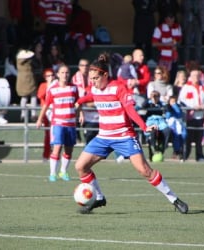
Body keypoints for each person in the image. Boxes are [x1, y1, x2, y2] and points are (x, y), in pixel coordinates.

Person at [74, 59, 188, 214]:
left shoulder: (118, 88)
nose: (93, 82)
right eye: (91, 79)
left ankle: (173, 199)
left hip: (124, 136)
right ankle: (99, 198)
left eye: (95, 78)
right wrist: (78, 102)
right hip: (104, 137)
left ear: (105, 75)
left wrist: (144, 126)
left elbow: (130, 110)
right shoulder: (95, 89)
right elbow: (88, 97)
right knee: (80, 167)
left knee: (145, 171)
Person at [36, 64, 79, 182]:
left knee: (69, 149)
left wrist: (81, 114)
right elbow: (46, 104)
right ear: (58, 75)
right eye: (62, 73)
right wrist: (40, 119)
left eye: (67, 73)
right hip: (58, 122)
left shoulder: (73, 88)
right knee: (57, 147)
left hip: (71, 123)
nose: (65, 75)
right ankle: (52, 173)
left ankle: (63, 171)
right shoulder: (53, 89)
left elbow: (77, 103)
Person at [177, 69, 204, 162]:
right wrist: (192, 107)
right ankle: (184, 156)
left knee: (199, 138)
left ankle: (199, 156)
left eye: (197, 75)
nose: (195, 77)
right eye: (193, 75)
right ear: (190, 77)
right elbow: (181, 101)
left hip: (201, 116)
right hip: (189, 117)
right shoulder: (186, 88)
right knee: (188, 138)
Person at [152, 12, 182, 83]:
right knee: (164, 76)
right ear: (165, 20)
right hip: (163, 56)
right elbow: (154, 43)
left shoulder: (177, 27)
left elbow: (180, 40)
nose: (170, 22)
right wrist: (167, 44)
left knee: (173, 76)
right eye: (168, 20)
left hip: (174, 56)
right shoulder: (159, 28)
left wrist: (176, 44)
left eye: (172, 20)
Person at [36, 68, 56, 162]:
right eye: (48, 76)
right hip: (45, 112)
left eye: (52, 75)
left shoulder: (56, 85)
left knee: (56, 135)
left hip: (55, 112)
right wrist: (49, 86)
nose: (50, 77)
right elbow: (40, 95)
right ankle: (46, 155)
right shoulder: (43, 85)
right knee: (48, 135)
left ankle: (55, 155)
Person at [16, 49, 38, 122]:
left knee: (24, 97)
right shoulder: (30, 61)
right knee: (33, 96)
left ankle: (23, 114)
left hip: (21, 80)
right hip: (30, 80)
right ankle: (33, 114)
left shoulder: (18, 61)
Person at [165, 95, 187, 161]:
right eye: (172, 101)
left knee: (184, 135)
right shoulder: (167, 107)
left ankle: (181, 151)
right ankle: (176, 151)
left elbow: (178, 113)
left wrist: (174, 105)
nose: (173, 102)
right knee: (176, 135)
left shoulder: (178, 106)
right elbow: (167, 116)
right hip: (172, 125)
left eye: (174, 101)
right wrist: (170, 107)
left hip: (179, 124)